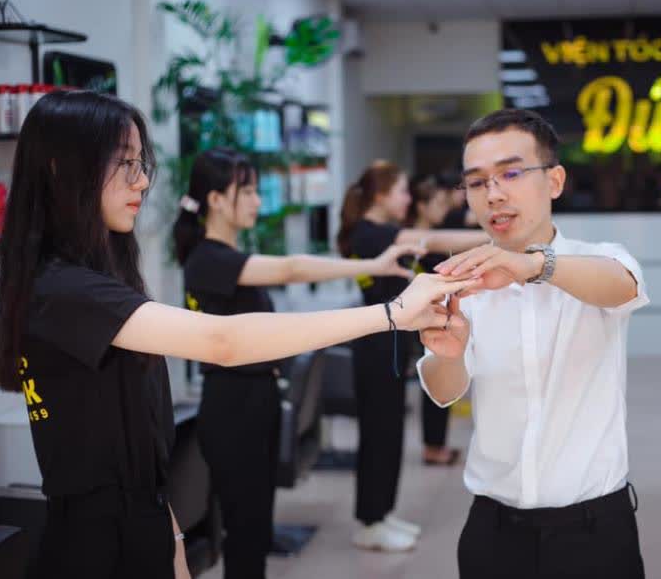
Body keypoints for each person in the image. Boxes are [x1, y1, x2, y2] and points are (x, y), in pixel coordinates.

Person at [0, 90, 477, 579]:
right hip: (96, 547)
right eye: (124, 164)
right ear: (61, 169)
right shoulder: (64, 290)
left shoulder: (91, 282)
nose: (140, 181)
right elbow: (224, 341)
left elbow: (135, 446)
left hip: (141, 528)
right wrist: (390, 313)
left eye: (141, 164)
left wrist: (171, 533)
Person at [173, 148, 425, 579]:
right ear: (215, 199)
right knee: (246, 532)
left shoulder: (224, 258)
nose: (257, 200)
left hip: (257, 400)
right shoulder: (209, 260)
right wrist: (368, 265)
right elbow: (291, 268)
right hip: (234, 406)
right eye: (246, 191)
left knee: (254, 530)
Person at [419, 109, 648, 578]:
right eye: (477, 182)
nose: (494, 194)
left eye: (512, 173)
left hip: (595, 532)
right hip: (495, 532)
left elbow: (622, 287)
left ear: (555, 181)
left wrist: (531, 266)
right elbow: (444, 391)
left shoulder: (601, 259)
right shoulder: (463, 286)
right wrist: (451, 352)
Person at [337, 161, 489, 552]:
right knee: (379, 434)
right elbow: (433, 239)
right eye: (402, 191)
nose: (408, 199)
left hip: (385, 341)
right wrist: (496, 236)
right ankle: (370, 521)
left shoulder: (375, 232)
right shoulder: (373, 234)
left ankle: (381, 515)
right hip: (374, 342)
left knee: (388, 433)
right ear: (380, 196)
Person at [406, 175, 462, 466]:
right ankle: (433, 446)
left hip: (433, 320)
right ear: (421, 206)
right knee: (433, 380)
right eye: (438, 203)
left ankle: (436, 444)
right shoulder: (415, 243)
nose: (443, 208)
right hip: (422, 324)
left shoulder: (431, 237)